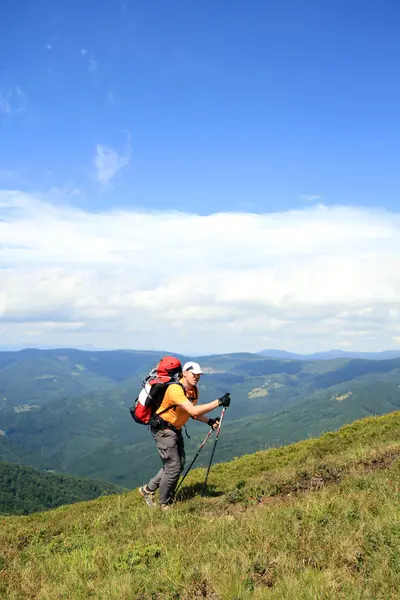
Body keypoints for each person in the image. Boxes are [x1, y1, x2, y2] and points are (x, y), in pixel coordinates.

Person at [139, 361, 230, 510]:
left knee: (177, 464)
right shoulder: (175, 389)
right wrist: (218, 402)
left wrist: (209, 421)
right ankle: (164, 503)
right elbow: (193, 411)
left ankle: (147, 490)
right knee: (173, 467)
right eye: (194, 374)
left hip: (175, 430)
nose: (196, 377)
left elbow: (192, 412)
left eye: (199, 375)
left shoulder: (193, 391)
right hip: (164, 431)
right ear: (185, 373)